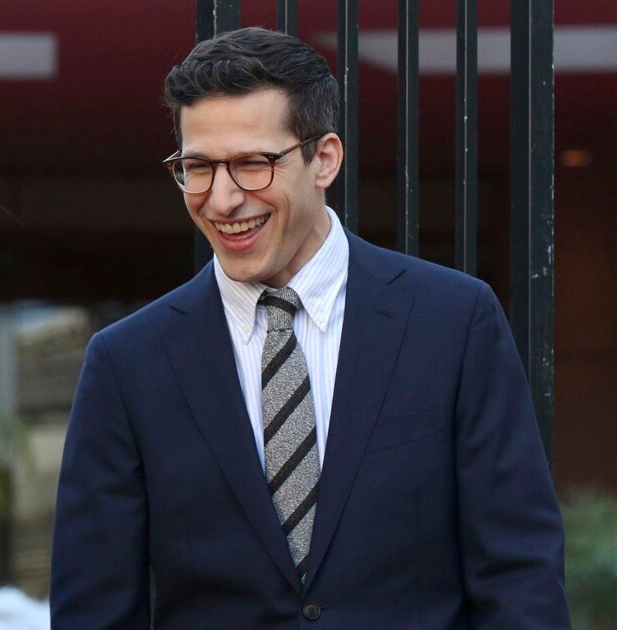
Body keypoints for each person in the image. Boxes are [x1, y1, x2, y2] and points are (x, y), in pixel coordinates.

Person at [50, 27, 569, 628]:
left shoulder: (453, 322)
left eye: (251, 164)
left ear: (324, 158)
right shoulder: (128, 362)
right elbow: (95, 609)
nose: (221, 200)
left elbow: (519, 576)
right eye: (197, 168)